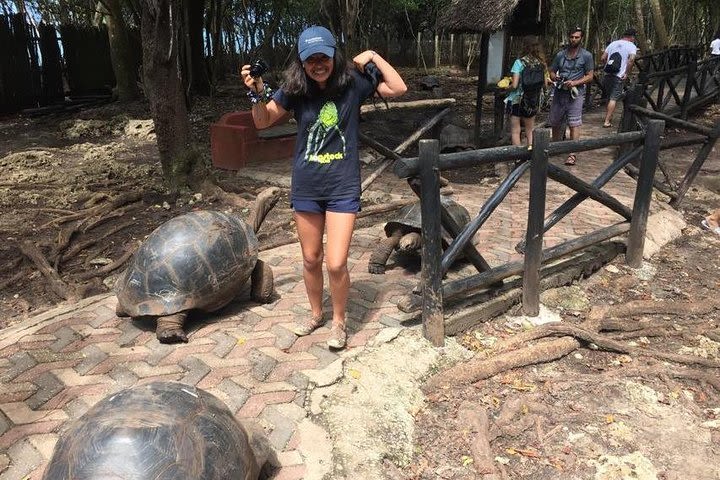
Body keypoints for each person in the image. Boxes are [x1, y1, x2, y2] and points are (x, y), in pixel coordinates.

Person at [240, 26, 407, 349]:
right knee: (311, 258)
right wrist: (257, 91)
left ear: (334, 56)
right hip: (306, 186)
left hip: (342, 186)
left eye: (323, 57)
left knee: (336, 262)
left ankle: (339, 321)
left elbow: (398, 87)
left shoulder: (354, 84)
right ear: (301, 63)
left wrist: (372, 55)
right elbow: (262, 121)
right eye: (310, 59)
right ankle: (316, 313)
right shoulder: (295, 89)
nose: (318, 64)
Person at [548, 27, 594, 166]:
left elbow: (590, 76)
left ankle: (572, 154)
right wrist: (554, 77)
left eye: (577, 37)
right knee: (555, 122)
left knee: (574, 123)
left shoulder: (586, 56)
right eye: (572, 37)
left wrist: (575, 82)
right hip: (559, 91)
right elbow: (551, 71)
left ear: (581, 38)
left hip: (576, 93)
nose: (574, 39)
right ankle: (555, 148)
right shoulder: (560, 55)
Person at [504, 36, 548, 148]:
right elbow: (545, 85)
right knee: (530, 129)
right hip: (532, 99)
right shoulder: (541, 64)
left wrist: (506, 88)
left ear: (524, 47)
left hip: (517, 100)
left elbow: (514, 85)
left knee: (515, 130)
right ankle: (531, 153)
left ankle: (517, 157)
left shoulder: (519, 63)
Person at [600, 28, 638, 128]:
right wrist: (626, 73)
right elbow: (631, 60)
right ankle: (607, 121)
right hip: (619, 75)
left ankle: (609, 116)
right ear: (632, 37)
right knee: (614, 98)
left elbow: (603, 58)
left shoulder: (613, 44)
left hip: (607, 74)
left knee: (609, 96)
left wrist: (606, 67)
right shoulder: (632, 46)